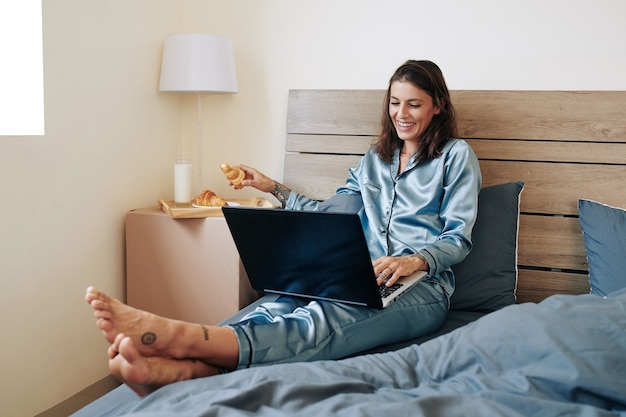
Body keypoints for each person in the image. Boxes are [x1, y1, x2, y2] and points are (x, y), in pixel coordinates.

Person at [86, 59, 482, 397]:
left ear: (438, 107)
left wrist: (414, 260)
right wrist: (270, 187)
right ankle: (186, 369)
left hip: (423, 289)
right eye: (395, 103)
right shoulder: (374, 159)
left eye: (415, 104)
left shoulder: (455, 156)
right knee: (279, 302)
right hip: (357, 272)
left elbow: (457, 238)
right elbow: (331, 213)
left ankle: (186, 340)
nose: (402, 114)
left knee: (327, 319)